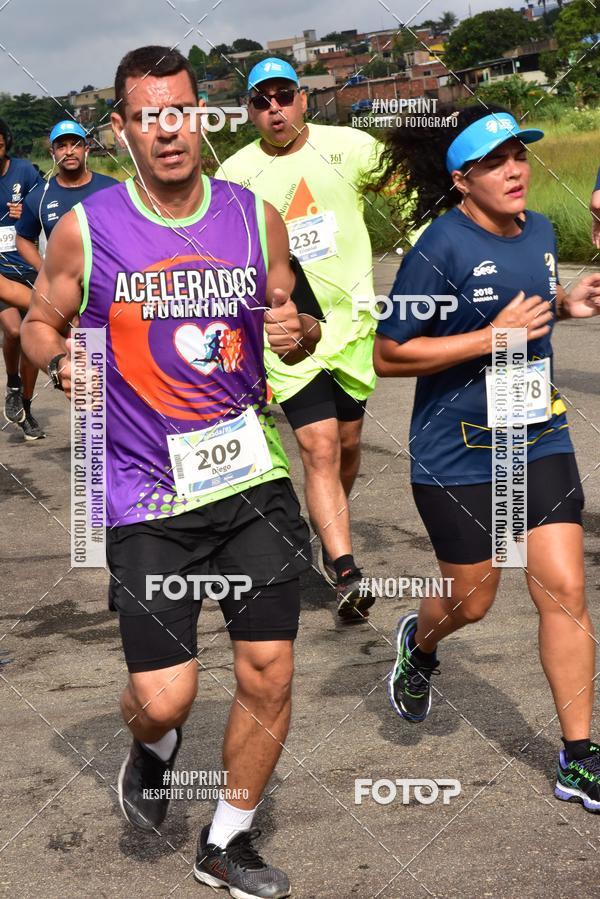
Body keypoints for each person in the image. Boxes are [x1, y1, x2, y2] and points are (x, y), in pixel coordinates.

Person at [22, 45, 323, 899]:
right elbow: (41, 320)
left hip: (248, 479)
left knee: (270, 669)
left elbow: (288, 312)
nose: (168, 130)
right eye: (148, 115)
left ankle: (225, 839)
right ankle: (152, 752)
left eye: (181, 111)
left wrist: (295, 329)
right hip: (145, 493)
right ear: (122, 128)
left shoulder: (252, 214)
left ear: (202, 115)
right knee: (165, 696)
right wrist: (58, 362)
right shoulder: (91, 226)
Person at [372, 104, 600, 813]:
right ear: (463, 179)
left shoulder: (538, 231)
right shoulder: (438, 248)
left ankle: (580, 754)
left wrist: (563, 303)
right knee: (473, 596)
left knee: (565, 586)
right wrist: (489, 337)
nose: (515, 171)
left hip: (538, 433)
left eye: (521, 157)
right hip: (458, 451)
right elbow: (388, 352)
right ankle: (423, 643)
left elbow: (526, 306)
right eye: (497, 162)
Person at [216, 58, 382, 621]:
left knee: (348, 448)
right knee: (319, 447)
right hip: (285, 327)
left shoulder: (353, 147)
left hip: (353, 326)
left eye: (283, 97)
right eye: (261, 102)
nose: (274, 110)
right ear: (249, 112)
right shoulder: (234, 174)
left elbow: (412, 210)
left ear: (303, 100)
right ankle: (347, 573)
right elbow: (225, 259)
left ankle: (329, 524)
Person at [15, 120, 117, 273]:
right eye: (61, 146)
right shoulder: (39, 196)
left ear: (86, 149)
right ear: (52, 153)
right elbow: (22, 238)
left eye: (76, 145)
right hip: (63, 288)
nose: (69, 152)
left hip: (108, 281)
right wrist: (43, 269)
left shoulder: (112, 188)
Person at [0, 118, 44, 439]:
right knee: (14, 330)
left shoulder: (25, 171)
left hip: (26, 267)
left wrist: (26, 209)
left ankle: (25, 407)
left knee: (29, 338)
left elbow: (45, 205)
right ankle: (12, 384)